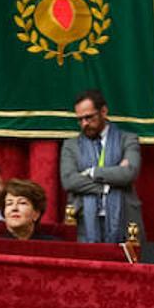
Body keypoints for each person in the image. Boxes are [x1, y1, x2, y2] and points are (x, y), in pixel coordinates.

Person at [60, 89, 142, 244]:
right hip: (83, 222)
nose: (84, 124)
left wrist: (92, 172)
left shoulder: (128, 139)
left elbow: (129, 173)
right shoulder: (71, 145)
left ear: (103, 111)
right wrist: (108, 185)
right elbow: (69, 181)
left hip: (124, 221)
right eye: (80, 119)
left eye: (89, 117)